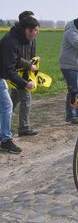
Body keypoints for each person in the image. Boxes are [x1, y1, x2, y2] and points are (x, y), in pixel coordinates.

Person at [0, 16, 39, 153]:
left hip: (2, 78)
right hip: (1, 77)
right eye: (36, 31)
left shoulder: (15, 38)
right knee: (7, 106)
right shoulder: (11, 42)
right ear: (28, 30)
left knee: (5, 106)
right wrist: (25, 84)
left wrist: (29, 65)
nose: (37, 34)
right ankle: (5, 140)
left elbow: (16, 59)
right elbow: (9, 70)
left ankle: (3, 135)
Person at [10, 11, 39, 137]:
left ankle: (4, 124)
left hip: (26, 71)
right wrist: (28, 65)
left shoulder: (31, 37)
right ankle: (23, 127)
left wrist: (35, 61)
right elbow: (16, 59)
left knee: (13, 100)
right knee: (26, 99)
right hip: (18, 73)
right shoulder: (16, 38)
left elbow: (32, 54)